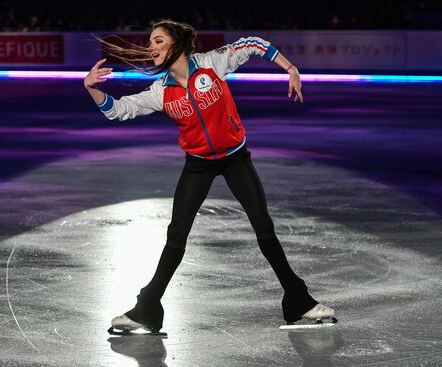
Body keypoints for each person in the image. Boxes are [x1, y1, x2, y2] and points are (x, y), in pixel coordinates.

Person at [84, 19, 335, 333]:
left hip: (235, 159)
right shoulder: (160, 91)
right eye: (151, 43)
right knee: (176, 234)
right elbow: (117, 110)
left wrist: (290, 68)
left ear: (176, 43)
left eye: (158, 41)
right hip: (198, 164)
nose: (152, 48)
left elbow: (255, 43)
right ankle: (146, 308)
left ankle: (300, 302)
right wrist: (91, 88)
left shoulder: (212, 64)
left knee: (263, 225)